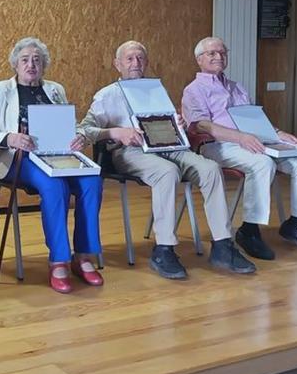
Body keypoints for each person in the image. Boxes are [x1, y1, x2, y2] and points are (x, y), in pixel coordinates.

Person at [80, 41, 256, 279]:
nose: (136, 63)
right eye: (130, 59)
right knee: (167, 172)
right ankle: (164, 248)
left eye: (140, 58)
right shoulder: (107, 95)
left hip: (170, 147)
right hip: (131, 151)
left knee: (210, 169)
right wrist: (116, 132)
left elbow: (169, 124)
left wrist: (178, 124)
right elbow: (85, 130)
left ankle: (223, 244)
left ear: (147, 62)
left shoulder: (156, 90)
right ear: (117, 64)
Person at [0, 37, 103, 294]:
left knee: (92, 181)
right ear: (15, 64)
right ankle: (59, 260)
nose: (31, 64)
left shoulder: (55, 89)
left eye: (37, 60)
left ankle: (84, 255)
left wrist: (79, 135)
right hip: (19, 159)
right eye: (25, 60)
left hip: (56, 156)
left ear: (44, 64)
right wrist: (10, 138)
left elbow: (69, 123)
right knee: (54, 185)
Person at [182, 36, 297, 261]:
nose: (219, 56)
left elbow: (254, 118)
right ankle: (249, 229)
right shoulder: (194, 90)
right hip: (217, 145)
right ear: (199, 59)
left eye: (223, 53)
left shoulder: (237, 87)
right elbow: (201, 125)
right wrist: (240, 137)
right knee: (262, 163)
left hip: (253, 141)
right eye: (212, 53)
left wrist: (277, 133)